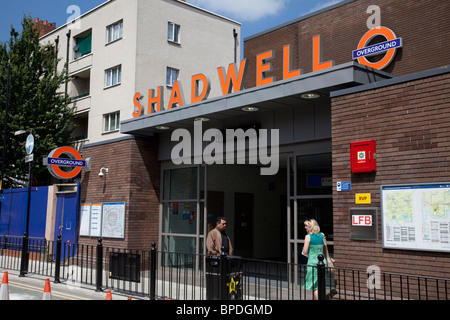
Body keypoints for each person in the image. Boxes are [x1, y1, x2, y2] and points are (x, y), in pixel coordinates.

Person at [302, 219, 329, 300]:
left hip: (313, 264)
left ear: (311, 227)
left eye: (306, 225)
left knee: (315, 287)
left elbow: (305, 251)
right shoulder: (322, 235)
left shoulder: (308, 237)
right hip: (323, 262)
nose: (305, 227)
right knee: (320, 285)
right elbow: (325, 249)